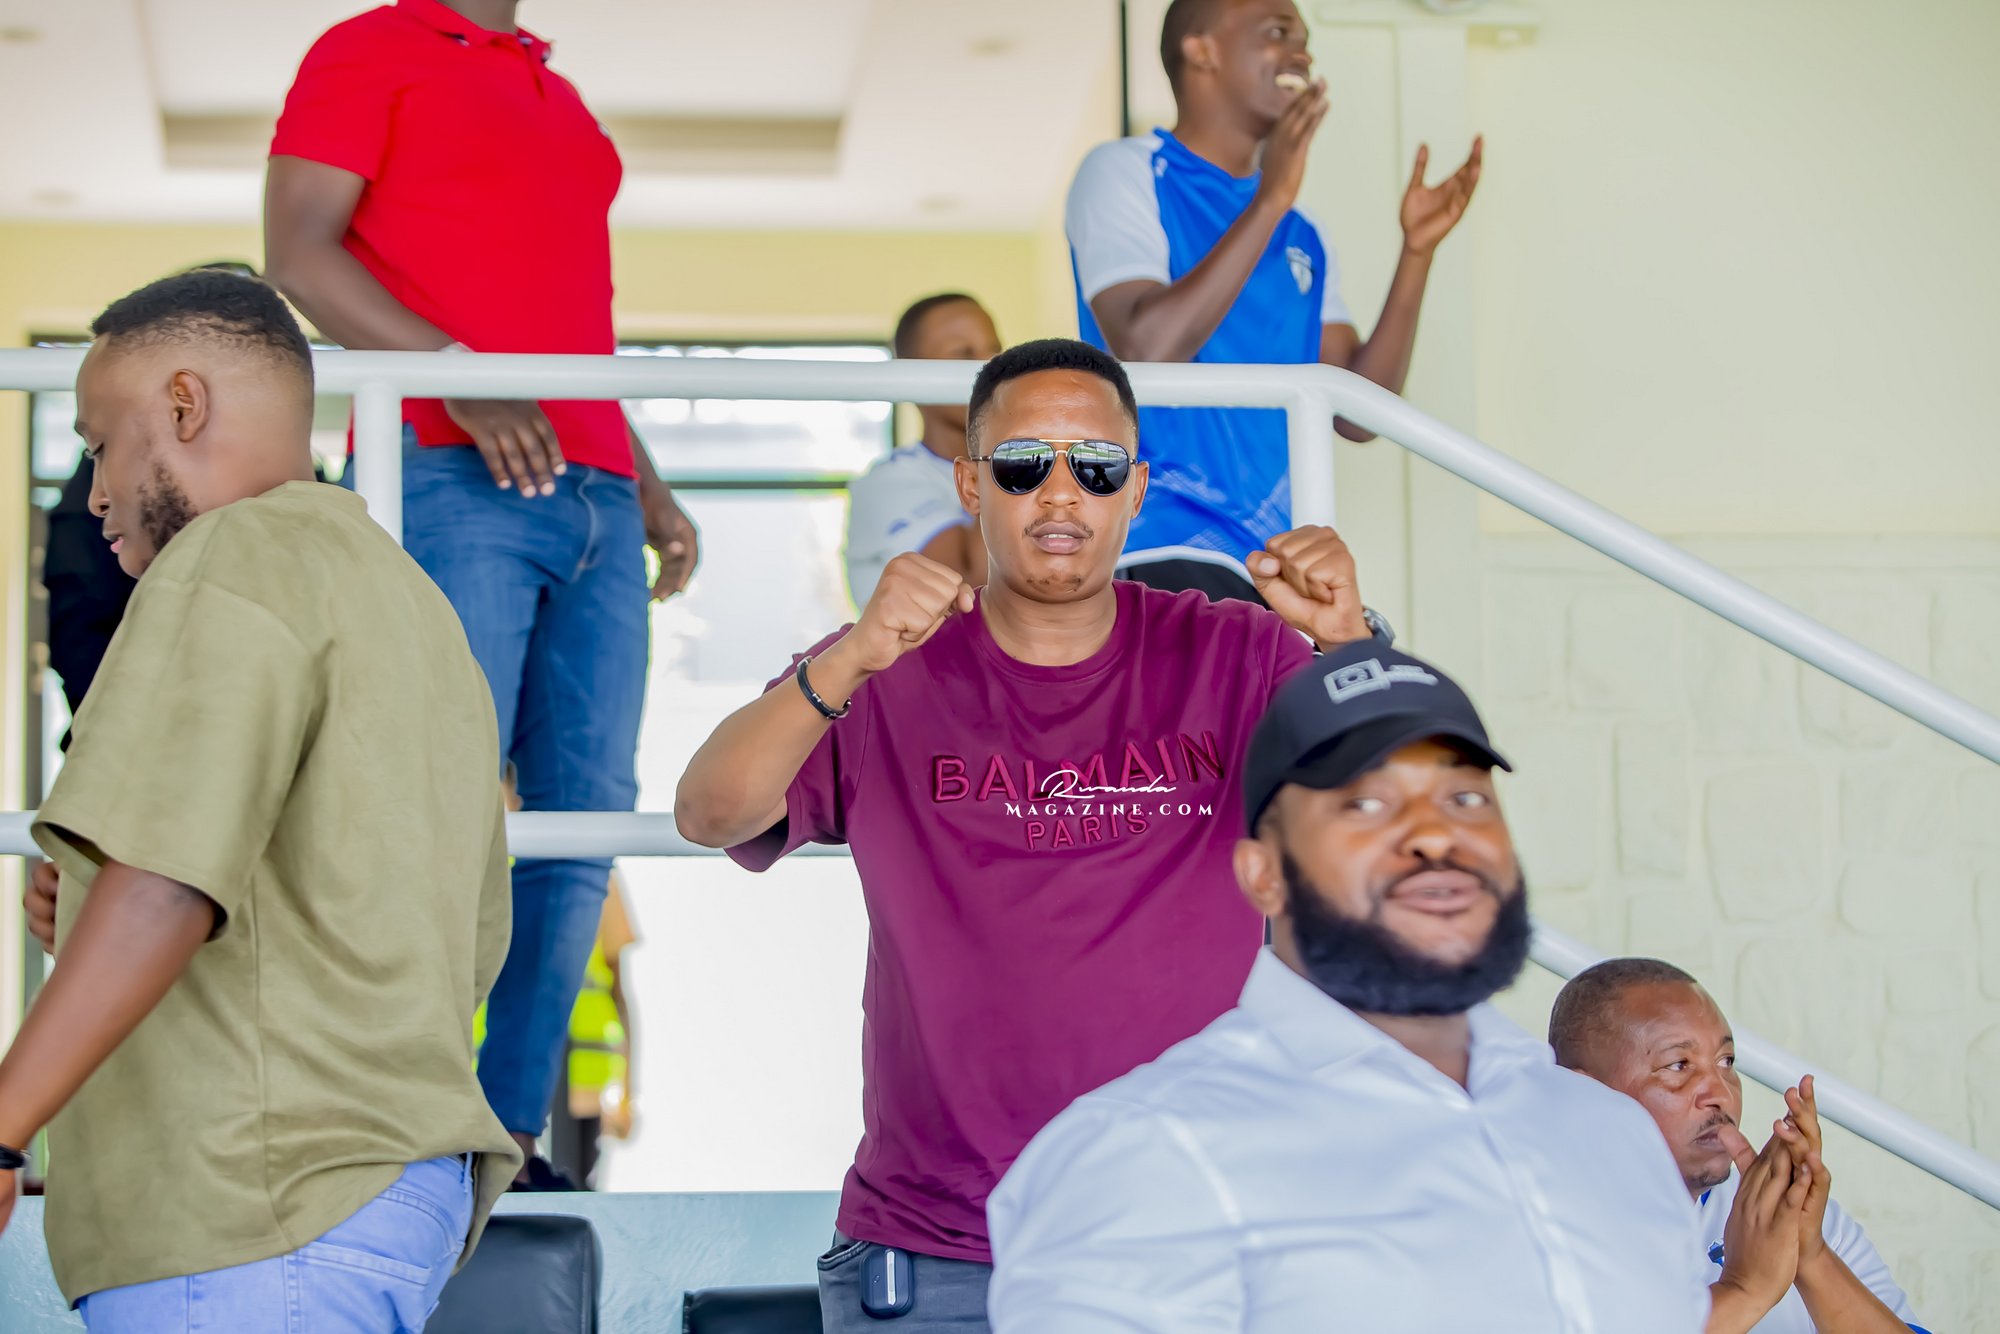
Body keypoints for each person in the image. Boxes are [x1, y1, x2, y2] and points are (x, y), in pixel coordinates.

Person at [676, 338, 1382, 1332]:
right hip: (940, 1248)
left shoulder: (1235, 650)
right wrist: (850, 656)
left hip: (1194, 1239)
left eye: (1094, 466)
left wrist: (1346, 642)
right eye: (1021, 464)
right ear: (970, 483)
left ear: (1135, 490)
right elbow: (710, 812)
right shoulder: (886, 666)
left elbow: (1395, 825)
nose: (1059, 493)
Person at [0, 269, 518, 1329]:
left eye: (100, 445)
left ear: (184, 404)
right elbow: (438, 940)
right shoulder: (410, 605)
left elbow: (165, 885)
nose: (93, 494)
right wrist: (98, 906)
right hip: (378, 1201)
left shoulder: (229, 554)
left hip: (253, 1211)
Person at [264, 0, 700, 1188]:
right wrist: (455, 375)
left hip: (596, 487)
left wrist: (645, 479)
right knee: (433, 808)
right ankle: (396, 1131)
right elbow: (297, 253)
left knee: (582, 825)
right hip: (450, 469)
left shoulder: (556, 93)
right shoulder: (370, 50)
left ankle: (502, 1146)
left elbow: (569, 325)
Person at [985, 643, 1722, 1331]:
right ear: (1264, 874)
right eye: (1366, 803)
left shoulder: (1610, 1131)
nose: (1434, 835)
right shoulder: (1144, 1152)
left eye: (1464, 797)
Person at [1067, 0, 1481, 601]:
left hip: (1277, 558)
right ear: (1201, 50)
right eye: (1278, 32)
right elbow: (1147, 348)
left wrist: (1417, 253)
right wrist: (1271, 198)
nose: (1302, 52)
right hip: (1163, 540)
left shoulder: (1302, 232)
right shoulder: (1125, 170)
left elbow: (1358, 416)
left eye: (1305, 38)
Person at [1550, 959, 1930, 1334]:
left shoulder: (1794, 1216)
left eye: (1726, 1061)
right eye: (1679, 1065)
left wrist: (1809, 1254)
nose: (1721, 1093)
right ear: (1585, 1092)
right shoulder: (1536, 1222)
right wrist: (1745, 1289)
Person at [845, 293, 1004, 604]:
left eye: (995, 351)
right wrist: (998, 437)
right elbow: (969, 592)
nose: (990, 369)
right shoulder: (887, 483)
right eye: (963, 355)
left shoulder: (1025, 465)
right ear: (910, 378)